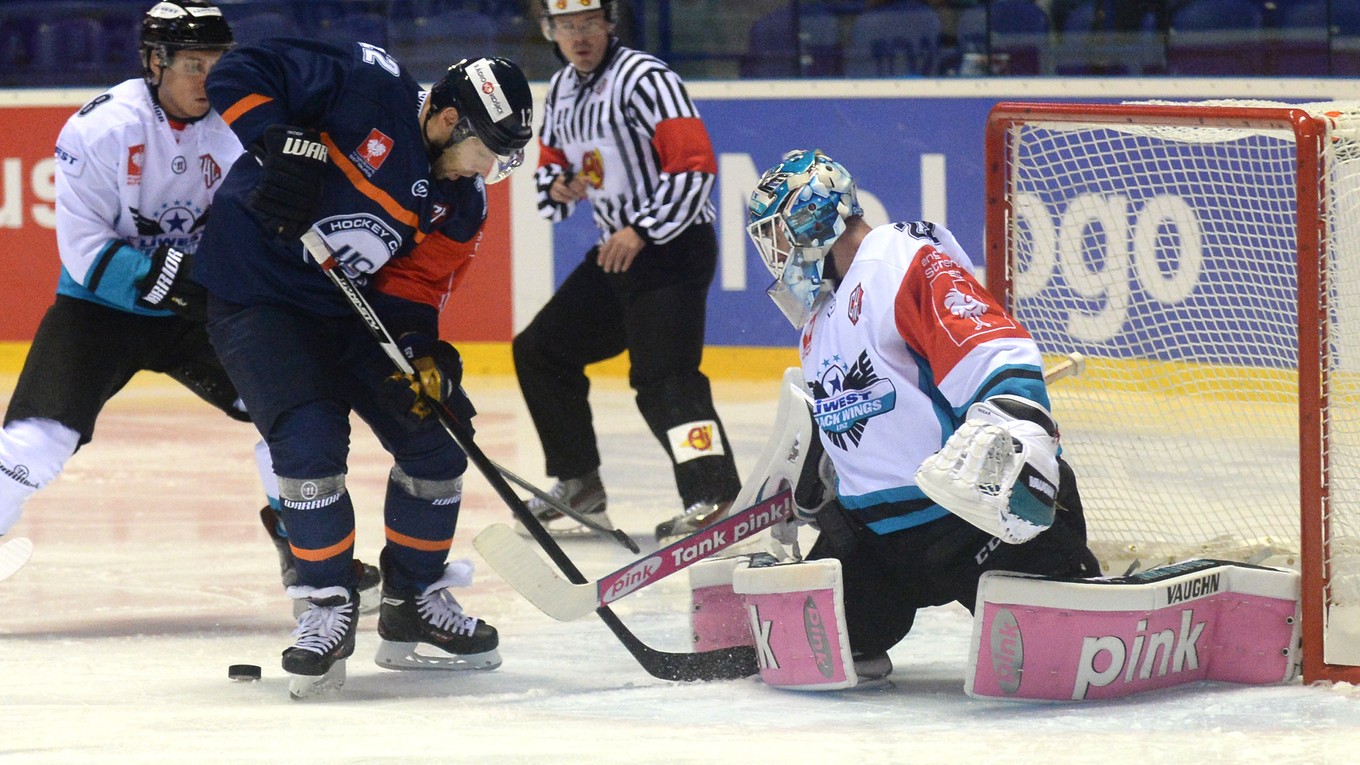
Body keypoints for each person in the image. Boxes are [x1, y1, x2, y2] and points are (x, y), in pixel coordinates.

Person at [0, 0, 381, 608]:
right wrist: (179, 275)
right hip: (102, 309)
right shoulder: (98, 129)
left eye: (218, 62)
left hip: (211, 305)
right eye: (192, 63)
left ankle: (303, 538)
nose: (209, 78)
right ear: (155, 63)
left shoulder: (244, 120)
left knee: (292, 412)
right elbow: (83, 249)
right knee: (35, 440)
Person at [193, 37, 534, 695]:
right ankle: (325, 603)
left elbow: (413, 290)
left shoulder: (460, 201)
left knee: (437, 441)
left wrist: (422, 355)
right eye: (484, 152)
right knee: (310, 441)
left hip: (353, 313)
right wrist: (278, 143)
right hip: (258, 299)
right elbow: (239, 69)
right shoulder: (363, 85)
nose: (484, 170)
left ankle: (413, 599)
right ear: (446, 120)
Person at [744, 149, 1100, 677]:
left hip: (970, 527)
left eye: (777, 236)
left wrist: (1018, 425)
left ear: (811, 217)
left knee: (1060, 653)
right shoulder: (818, 321)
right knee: (816, 647)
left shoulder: (900, 259)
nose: (775, 255)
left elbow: (992, 348)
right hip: (878, 543)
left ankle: (1077, 589)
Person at [515, 0, 742, 543]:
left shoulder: (645, 78)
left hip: (671, 248)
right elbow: (549, 170)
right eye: (566, 26)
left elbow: (694, 169)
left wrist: (640, 229)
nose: (579, 36)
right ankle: (580, 483)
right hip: (619, 253)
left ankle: (712, 492)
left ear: (610, 24)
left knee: (665, 378)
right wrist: (561, 186)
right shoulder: (564, 91)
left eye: (589, 23)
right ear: (550, 31)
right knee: (540, 350)